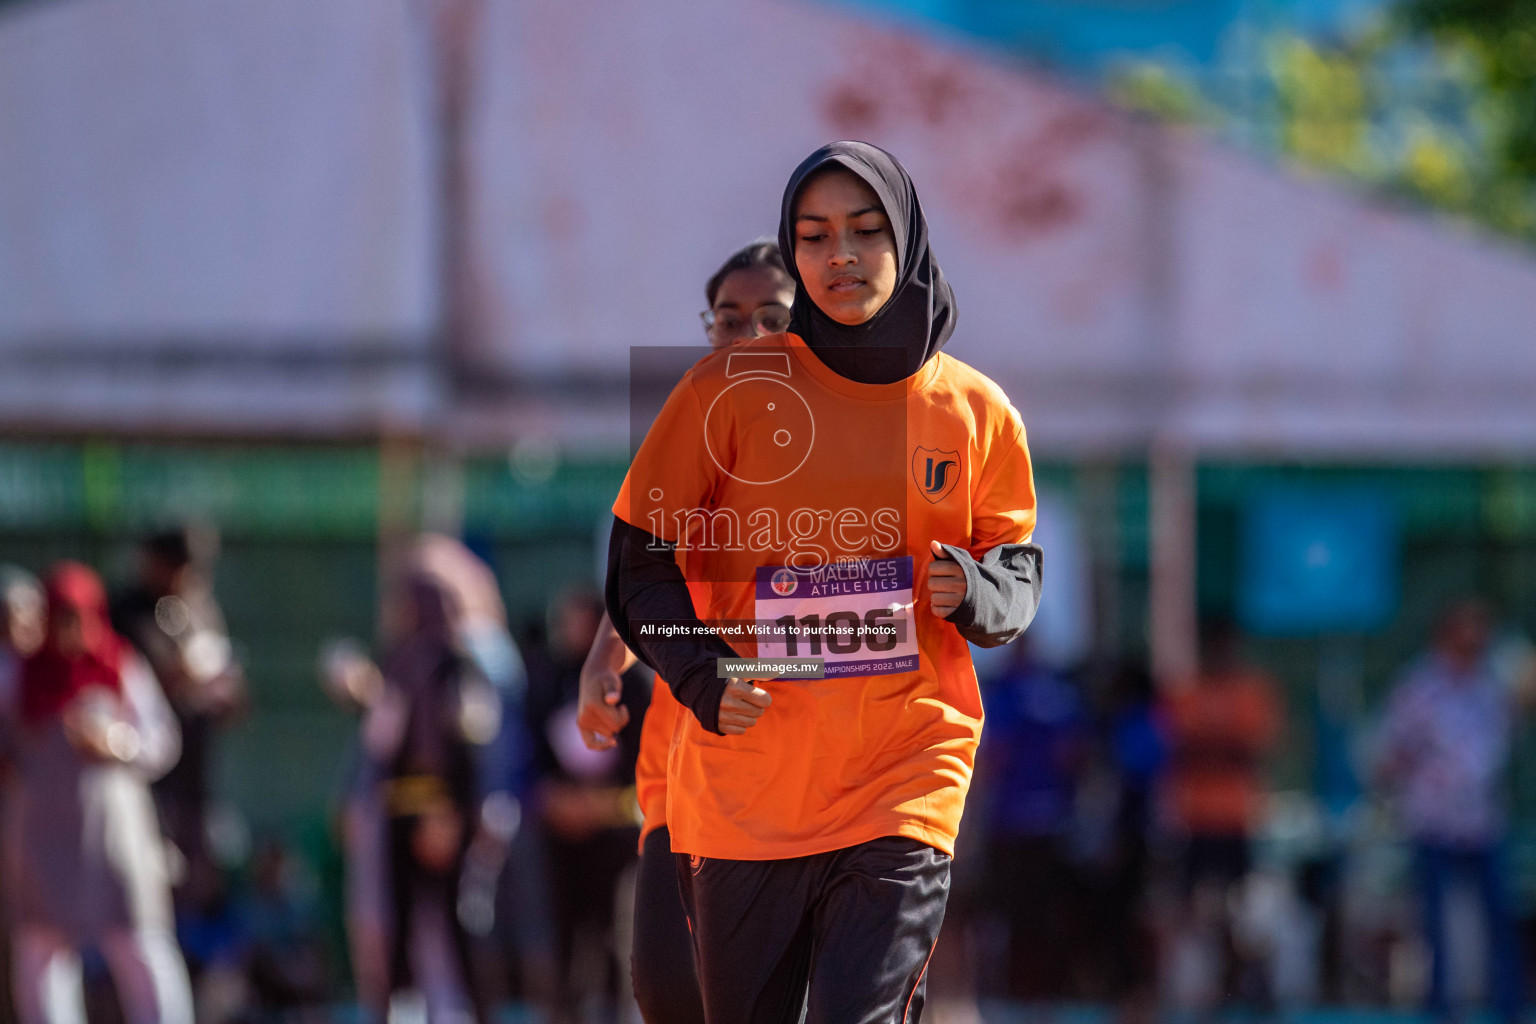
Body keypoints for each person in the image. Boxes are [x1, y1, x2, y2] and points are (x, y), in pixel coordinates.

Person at [605, 141, 1041, 1023]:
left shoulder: (976, 411)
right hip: (747, 792)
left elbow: (1018, 569)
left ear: (909, 237)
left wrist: (980, 592)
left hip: (904, 776)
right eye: (813, 236)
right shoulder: (724, 393)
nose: (839, 255)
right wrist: (701, 674)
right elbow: (638, 565)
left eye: (865, 231)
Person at [578, 238, 796, 1024]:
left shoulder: (843, 443)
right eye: (729, 319)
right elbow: (645, 571)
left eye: (773, 316)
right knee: (669, 988)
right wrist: (603, 659)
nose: (748, 335)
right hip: (685, 763)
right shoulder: (690, 432)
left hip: (809, 777)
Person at [5, 562, 192, 1024]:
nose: (70, 630)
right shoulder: (20, 675)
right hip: (43, 838)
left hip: (113, 834)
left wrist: (116, 743)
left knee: (141, 945)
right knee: (42, 956)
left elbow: (162, 741)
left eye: (77, 617)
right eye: (60, 617)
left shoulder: (120, 664)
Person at [349, 536, 514, 1024]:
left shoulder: (461, 663)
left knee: (460, 927)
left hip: (448, 814)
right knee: (397, 928)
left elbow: (472, 745)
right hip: (400, 814)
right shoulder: (399, 660)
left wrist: (450, 815)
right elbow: (382, 746)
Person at [1375, 598, 1525, 1024]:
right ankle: (1441, 1009)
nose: (1475, 640)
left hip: (1484, 821)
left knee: (1499, 918)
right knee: (1436, 924)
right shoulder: (1419, 689)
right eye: (1467, 630)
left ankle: (1508, 1006)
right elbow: (1390, 753)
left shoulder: (1490, 687)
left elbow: (1506, 735)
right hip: (1435, 820)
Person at [110, 526, 247, 928]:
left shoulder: (201, 608)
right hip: (140, 776)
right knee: (143, 887)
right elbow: (124, 690)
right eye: (175, 566)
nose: (184, 577)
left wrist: (225, 691)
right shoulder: (125, 610)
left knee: (195, 884)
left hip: (194, 771)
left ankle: (195, 975)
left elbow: (232, 694)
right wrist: (178, 676)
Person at [1161, 617, 1282, 1009]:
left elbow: (1251, 750)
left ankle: (1244, 981)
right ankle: (1207, 988)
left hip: (1238, 819)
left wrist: (1210, 747)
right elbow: (1178, 748)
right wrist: (1219, 747)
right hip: (1194, 818)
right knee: (1196, 909)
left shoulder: (1251, 692)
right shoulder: (1188, 692)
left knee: (1242, 910)